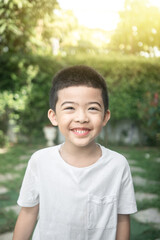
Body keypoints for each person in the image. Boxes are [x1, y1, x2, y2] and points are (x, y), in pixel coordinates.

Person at [13, 65, 137, 240]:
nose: (82, 118)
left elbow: (122, 218)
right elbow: (28, 214)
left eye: (92, 108)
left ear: (105, 117)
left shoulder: (117, 165)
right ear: (53, 116)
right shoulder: (40, 161)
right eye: (70, 108)